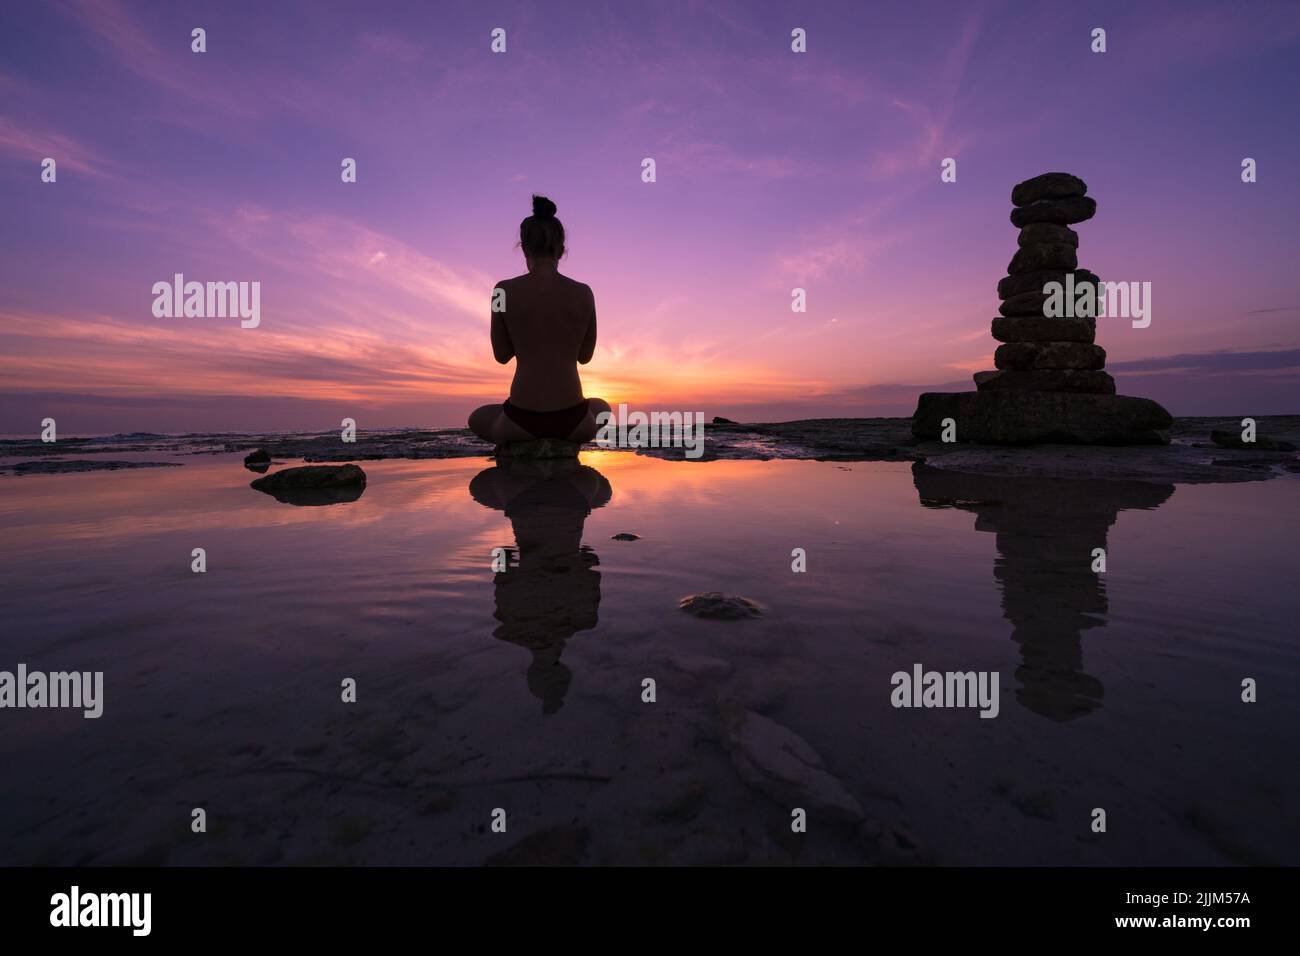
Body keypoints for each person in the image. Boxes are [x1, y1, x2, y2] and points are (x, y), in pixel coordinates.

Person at [468, 195, 611, 447]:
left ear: (523, 248)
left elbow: (501, 354)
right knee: (602, 407)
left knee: (477, 417)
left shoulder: (501, 291)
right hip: (573, 420)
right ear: (561, 249)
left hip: (521, 421)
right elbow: (585, 356)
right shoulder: (584, 292)